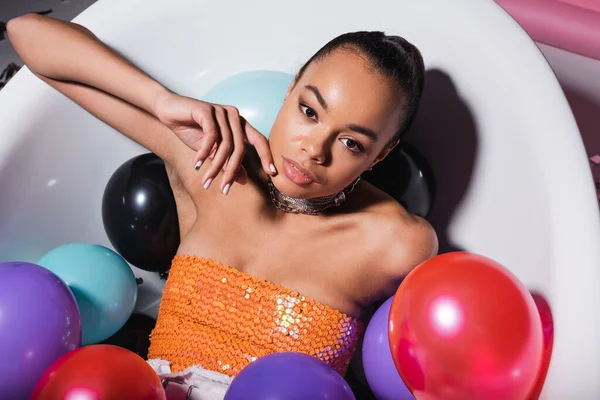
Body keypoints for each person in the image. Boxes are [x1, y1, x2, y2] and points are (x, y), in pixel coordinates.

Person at [8, 13, 438, 400]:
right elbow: (27, 34)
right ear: (289, 92)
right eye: (309, 111)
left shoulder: (395, 243)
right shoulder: (214, 163)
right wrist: (161, 100)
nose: (314, 149)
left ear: (381, 156)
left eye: (351, 143)